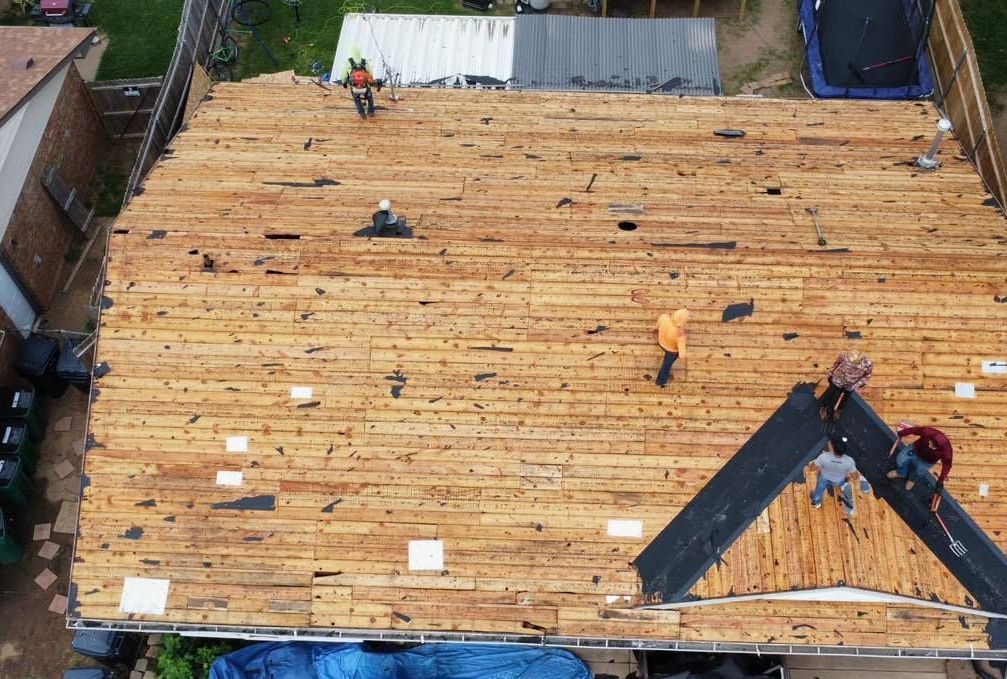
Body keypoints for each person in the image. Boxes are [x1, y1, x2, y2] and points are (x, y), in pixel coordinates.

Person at [886, 422, 952, 491]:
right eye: (931, 442)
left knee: (918, 471)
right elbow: (914, 430)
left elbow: (947, 465)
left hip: (927, 461)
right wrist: (900, 433)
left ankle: (912, 479)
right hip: (915, 450)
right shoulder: (928, 431)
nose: (930, 446)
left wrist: (940, 480)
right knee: (901, 460)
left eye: (934, 446)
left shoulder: (947, 452)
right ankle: (900, 473)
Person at [809, 437, 860, 517]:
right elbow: (855, 477)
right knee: (837, 484)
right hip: (838, 481)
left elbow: (812, 468)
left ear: (833, 448)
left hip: (823, 478)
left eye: (831, 443)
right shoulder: (850, 461)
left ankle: (816, 502)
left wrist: (814, 462)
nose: (829, 443)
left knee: (819, 490)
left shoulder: (824, 457)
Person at [820, 350, 873, 421]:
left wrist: (855, 386)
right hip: (837, 380)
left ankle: (839, 410)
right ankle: (823, 407)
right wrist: (830, 374)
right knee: (829, 394)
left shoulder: (867, 363)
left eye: (854, 365)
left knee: (845, 398)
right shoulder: (844, 355)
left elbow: (867, 375)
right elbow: (836, 363)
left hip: (850, 384)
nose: (851, 367)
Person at [654, 309, 689, 387]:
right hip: (671, 351)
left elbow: (656, 328)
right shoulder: (680, 336)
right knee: (666, 366)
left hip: (661, 342)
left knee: (665, 365)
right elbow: (682, 355)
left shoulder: (663, 317)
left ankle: (661, 379)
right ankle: (661, 381)